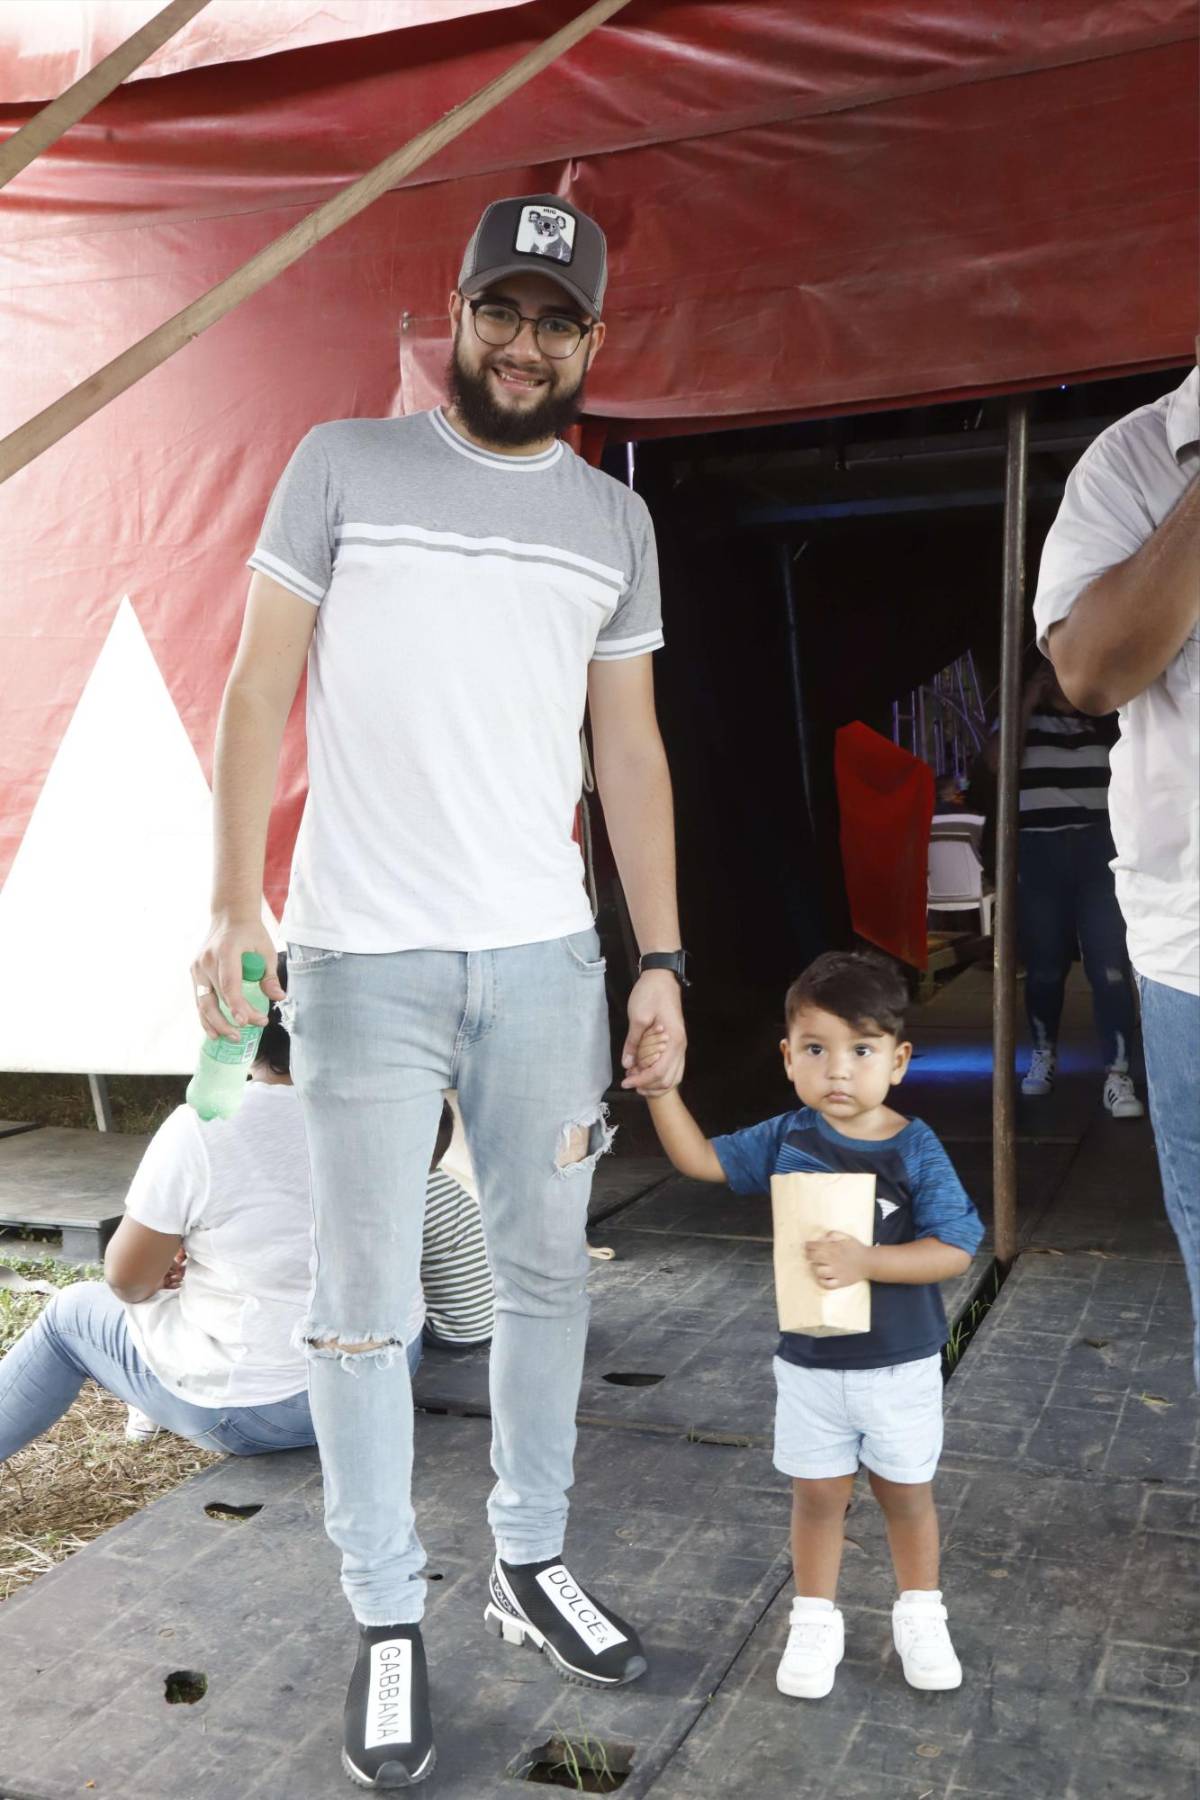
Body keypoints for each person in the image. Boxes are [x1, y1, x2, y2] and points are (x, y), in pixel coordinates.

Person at [192, 192, 687, 1790]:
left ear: (593, 343)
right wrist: (229, 902)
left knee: (550, 1278)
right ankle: (385, 1613)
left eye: (557, 321)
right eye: (501, 310)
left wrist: (660, 958)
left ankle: (530, 1563)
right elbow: (257, 682)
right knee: (362, 1307)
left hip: (546, 960)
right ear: (454, 311)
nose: (523, 343)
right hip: (360, 961)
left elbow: (629, 751)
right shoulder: (344, 463)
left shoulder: (618, 523)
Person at [641, 952, 983, 1700]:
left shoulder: (912, 1146)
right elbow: (701, 1161)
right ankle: (815, 1618)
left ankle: (920, 1612)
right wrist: (664, 1092)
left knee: (906, 1492)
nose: (838, 1071)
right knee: (818, 1494)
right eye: (817, 1049)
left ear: (897, 1061)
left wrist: (867, 1261)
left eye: (861, 1051)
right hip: (809, 1366)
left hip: (900, 1366)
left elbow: (957, 1247)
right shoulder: (786, 1136)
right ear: (788, 1057)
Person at [1034, 364, 1198, 1377]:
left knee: (1093, 967)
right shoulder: (1135, 462)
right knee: (1059, 967)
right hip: (1186, 940)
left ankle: (1119, 1069)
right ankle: (1069, 1062)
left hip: (1103, 880)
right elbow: (1092, 670)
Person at [985, 662, 1143, 1115]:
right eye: (1049, 671)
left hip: (1099, 852)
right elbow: (997, 764)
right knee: (1045, 965)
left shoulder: (1106, 722)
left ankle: (1117, 1074)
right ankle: (1042, 1055)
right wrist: (1028, 700)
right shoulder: (1021, 722)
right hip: (1039, 853)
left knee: (1109, 965)